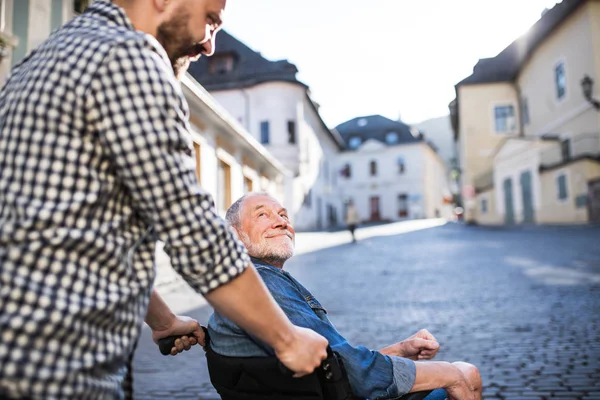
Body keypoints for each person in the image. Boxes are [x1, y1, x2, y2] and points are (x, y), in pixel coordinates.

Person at [0, 1, 328, 398]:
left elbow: (74, 233)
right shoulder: (133, 58)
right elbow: (195, 234)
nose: (209, 45)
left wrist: (161, 319)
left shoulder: (44, 61)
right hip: (60, 365)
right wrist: (286, 339)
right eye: (210, 19)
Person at [208, 193, 483, 400]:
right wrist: (447, 373)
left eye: (283, 215)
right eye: (262, 215)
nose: (281, 222)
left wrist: (400, 349)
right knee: (464, 372)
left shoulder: (255, 281)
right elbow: (354, 373)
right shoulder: (263, 283)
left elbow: (333, 362)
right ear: (234, 236)